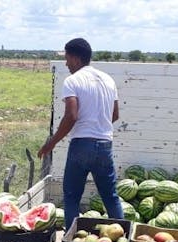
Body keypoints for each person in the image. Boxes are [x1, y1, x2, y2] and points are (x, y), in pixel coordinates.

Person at [37, 37, 123, 230]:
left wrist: (51, 143)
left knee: (71, 197)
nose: (66, 63)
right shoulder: (108, 80)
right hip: (104, 146)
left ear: (75, 58)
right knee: (111, 197)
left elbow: (71, 116)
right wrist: (99, 125)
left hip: (82, 146)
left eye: (67, 58)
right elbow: (114, 115)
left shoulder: (72, 81)